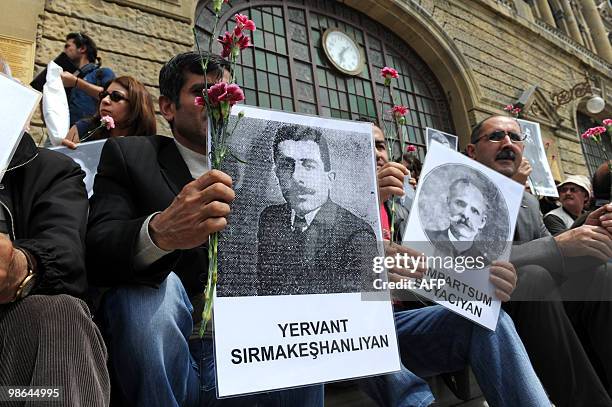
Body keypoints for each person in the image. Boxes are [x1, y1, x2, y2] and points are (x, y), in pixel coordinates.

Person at [86, 51, 323, 406]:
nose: (218, 102)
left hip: (257, 352)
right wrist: (159, 233)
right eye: (202, 93)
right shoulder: (130, 155)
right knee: (146, 291)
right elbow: (98, 249)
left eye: (227, 92)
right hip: (173, 346)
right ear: (167, 107)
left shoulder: (270, 172)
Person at [360, 122, 550, 407]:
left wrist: (490, 278)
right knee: (360, 329)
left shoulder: (406, 202)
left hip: (407, 320)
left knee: (488, 317)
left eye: (379, 145)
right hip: (357, 328)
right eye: (363, 145)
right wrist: (369, 201)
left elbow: (438, 268)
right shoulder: (326, 205)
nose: (376, 154)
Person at [466, 114, 612, 407]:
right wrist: (558, 245)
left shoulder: (528, 202)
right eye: (496, 136)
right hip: (483, 305)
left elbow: (553, 251)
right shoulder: (457, 192)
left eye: (515, 137)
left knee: (601, 270)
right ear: (472, 151)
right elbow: (469, 261)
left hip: (544, 309)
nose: (507, 143)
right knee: (533, 276)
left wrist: (588, 229)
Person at [0, 130, 110, 404]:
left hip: (12, 376)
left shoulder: (50, 170)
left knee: (60, 314)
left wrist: (20, 265)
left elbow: (66, 256)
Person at [256, 124, 378, 295]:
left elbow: (364, 311)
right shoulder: (270, 218)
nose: (297, 178)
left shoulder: (357, 235)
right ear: (276, 173)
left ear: (330, 178)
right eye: (286, 165)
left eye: (309, 166)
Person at [61, 75, 157, 149]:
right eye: (104, 95)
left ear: (135, 106)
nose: (105, 100)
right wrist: (64, 154)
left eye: (116, 96)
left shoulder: (148, 146)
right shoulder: (83, 129)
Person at [423, 177, 489, 261]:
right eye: (460, 203)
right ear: (448, 203)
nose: (465, 214)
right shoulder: (424, 237)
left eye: (474, 211)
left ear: (482, 222)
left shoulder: (485, 266)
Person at [60, 32, 115, 125]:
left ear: (82, 48)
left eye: (67, 46)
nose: (64, 51)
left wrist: (76, 82)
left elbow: (111, 97)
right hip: (63, 133)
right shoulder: (67, 80)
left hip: (88, 134)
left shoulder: (102, 73)